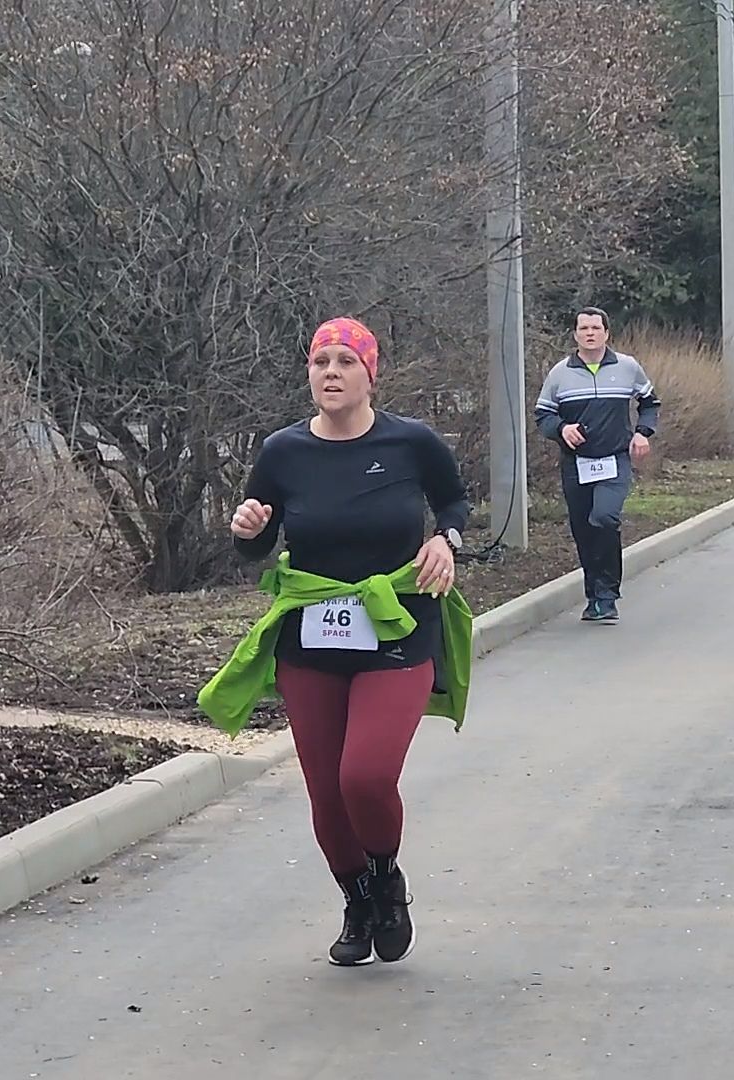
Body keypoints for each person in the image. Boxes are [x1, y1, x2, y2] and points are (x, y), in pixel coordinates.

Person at [198, 316, 475, 968]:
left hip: (398, 626)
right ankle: (357, 901)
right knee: (327, 792)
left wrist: (446, 541)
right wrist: (249, 528)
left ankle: (386, 878)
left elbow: (455, 503)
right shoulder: (284, 452)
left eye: (346, 361)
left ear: (369, 373)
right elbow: (258, 543)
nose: (331, 371)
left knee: (367, 776)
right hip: (313, 638)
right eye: (321, 360)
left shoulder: (413, 443)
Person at [532, 306, 660, 623]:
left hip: (615, 459)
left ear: (606, 333)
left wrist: (643, 433)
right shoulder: (560, 373)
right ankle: (595, 598)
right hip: (577, 463)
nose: (590, 333)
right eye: (584, 328)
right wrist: (561, 428)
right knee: (583, 530)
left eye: (595, 328)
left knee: (604, 518)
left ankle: (607, 594)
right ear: (575, 334)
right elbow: (543, 415)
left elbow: (649, 402)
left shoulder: (627, 367)